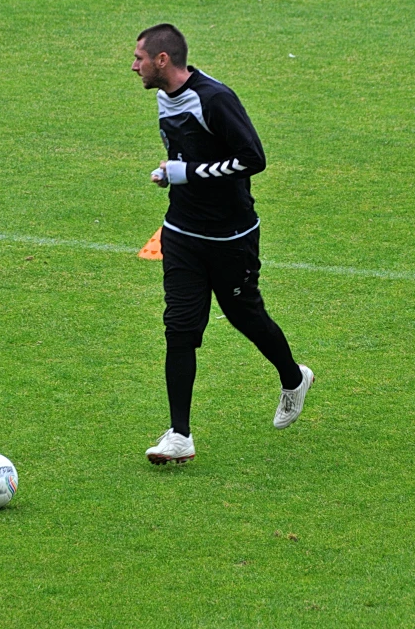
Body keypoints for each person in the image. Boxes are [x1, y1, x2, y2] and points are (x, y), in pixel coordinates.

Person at [132, 23, 314, 465]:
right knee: (180, 327)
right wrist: (169, 173)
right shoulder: (162, 98)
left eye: (139, 58)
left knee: (244, 314)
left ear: (162, 60)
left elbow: (254, 159)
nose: (133, 65)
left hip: (231, 238)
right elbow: (184, 154)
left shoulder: (215, 99)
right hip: (181, 234)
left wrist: (188, 173)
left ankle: (294, 378)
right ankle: (179, 435)